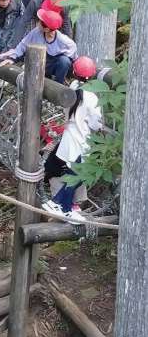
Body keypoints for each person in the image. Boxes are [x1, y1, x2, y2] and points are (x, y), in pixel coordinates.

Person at [42, 56, 102, 223]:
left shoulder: (73, 87)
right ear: (92, 75)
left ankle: (65, 208)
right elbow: (96, 123)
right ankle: (58, 204)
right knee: (78, 175)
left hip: (69, 136)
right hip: (82, 140)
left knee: (73, 175)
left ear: (74, 72)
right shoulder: (91, 97)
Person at [0, 9, 77, 84]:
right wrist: (12, 58)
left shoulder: (64, 41)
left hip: (55, 66)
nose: (38, 22)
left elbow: (74, 56)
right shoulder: (36, 32)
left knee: (64, 61)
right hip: (39, 63)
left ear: (46, 29)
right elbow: (23, 45)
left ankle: (58, 85)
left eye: (40, 21)